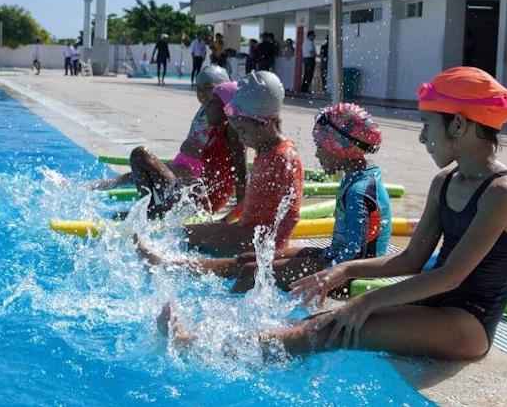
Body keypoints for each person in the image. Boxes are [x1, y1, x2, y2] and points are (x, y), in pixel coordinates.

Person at [254, 67, 507, 361]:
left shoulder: (504, 192)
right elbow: (411, 259)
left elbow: (451, 276)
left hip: (468, 323)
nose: (422, 138)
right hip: (433, 307)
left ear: (458, 125)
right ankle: (244, 347)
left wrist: (364, 303)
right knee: (320, 324)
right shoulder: (444, 182)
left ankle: (232, 351)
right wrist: (345, 270)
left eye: (427, 125)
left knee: (328, 330)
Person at [137, 103, 390, 294]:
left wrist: (318, 265)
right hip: (336, 259)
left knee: (251, 272)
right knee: (251, 258)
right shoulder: (358, 178)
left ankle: (223, 315)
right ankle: (172, 265)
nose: (317, 153)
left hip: (348, 277)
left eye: (321, 147)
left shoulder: (359, 191)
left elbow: (355, 257)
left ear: (342, 149)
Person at [184, 71, 303, 256]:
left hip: (257, 243)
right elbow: (251, 199)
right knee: (186, 234)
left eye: (242, 131)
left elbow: (292, 212)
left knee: (186, 236)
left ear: (264, 123)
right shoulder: (264, 151)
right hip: (246, 234)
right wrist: (225, 221)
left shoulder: (284, 157)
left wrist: (273, 250)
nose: (240, 138)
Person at [92, 66, 234, 193]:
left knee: (142, 162)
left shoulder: (222, 115)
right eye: (198, 88)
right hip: (183, 163)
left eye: (207, 88)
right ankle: (115, 187)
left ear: (222, 89)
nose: (202, 93)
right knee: (136, 173)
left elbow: (224, 153)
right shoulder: (206, 108)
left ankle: (146, 204)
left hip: (192, 171)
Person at [123, 80, 247, 219]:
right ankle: (150, 210)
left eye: (212, 102)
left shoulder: (232, 131)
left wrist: (240, 217)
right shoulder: (215, 132)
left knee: (141, 154)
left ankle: (150, 212)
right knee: (139, 157)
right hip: (192, 196)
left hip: (198, 205)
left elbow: (241, 176)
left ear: (227, 108)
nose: (206, 106)